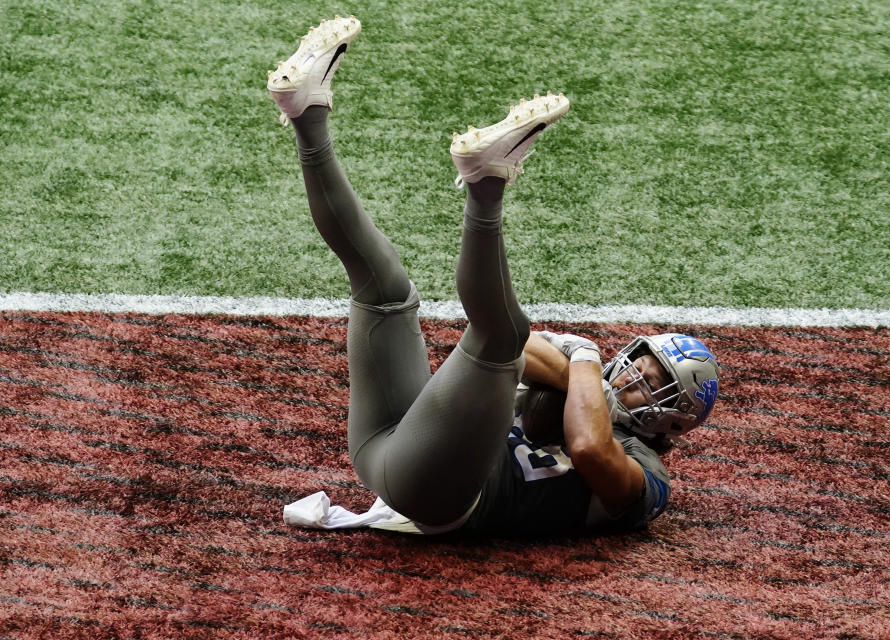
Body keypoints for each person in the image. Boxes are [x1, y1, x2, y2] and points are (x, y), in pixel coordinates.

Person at [270, 16, 720, 536]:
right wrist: (582, 372)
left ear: (676, 421)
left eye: (654, 385)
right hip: (392, 441)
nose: (630, 378)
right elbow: (524, 353)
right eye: (637, 364)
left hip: (438, 495)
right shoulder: (585, 387)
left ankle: (486, 188)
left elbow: (591, 449)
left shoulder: (650, 474)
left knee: (500, 333)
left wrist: (586, 359)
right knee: (386, 289)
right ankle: (308, 115)